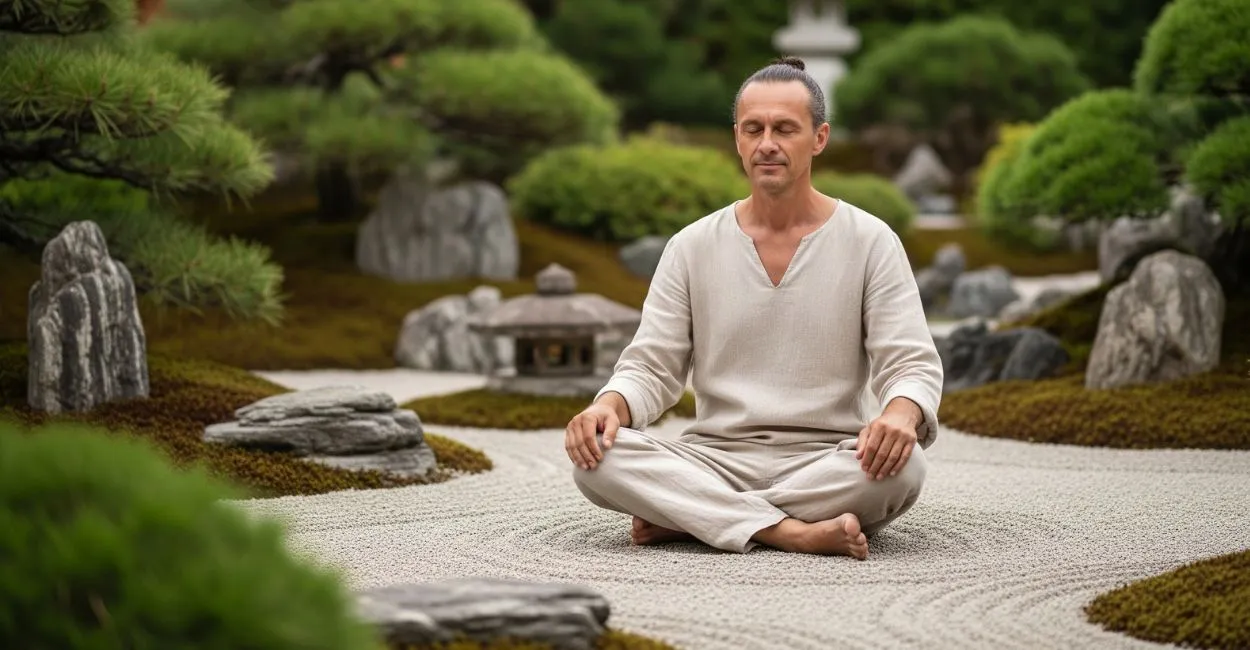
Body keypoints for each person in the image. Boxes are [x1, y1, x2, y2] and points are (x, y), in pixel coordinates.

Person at [564, 57, 943, 560]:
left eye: (784, 129)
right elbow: (651, 367)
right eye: (753, 129)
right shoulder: (691, 246)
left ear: (819, 138)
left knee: (906, 466)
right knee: (597, 459)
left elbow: (911, 362)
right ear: (737, 139)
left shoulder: (871, 241)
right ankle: (792, 532)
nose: (767, 143)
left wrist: (900, 414)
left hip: (825, 459)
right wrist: (607, 407)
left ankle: (695, 518)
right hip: (713, 459)